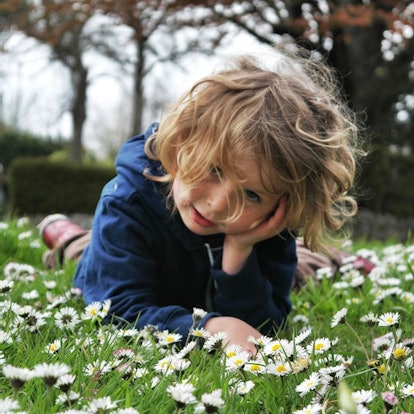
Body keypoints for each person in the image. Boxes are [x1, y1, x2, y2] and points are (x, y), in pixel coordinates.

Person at [40, 46, 363, 354]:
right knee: (87, 253)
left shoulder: (270, 225)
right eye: (214, 169)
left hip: (212, 267)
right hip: (125, 259)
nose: (218, 204)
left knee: (305, 266)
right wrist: (209, 330)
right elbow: (117, 309)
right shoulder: (128, 202)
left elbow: (265, 326)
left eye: (252, 194)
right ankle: (68, 235)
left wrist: (239, 255)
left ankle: (339, 258)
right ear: (181, 144)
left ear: (287, 202)